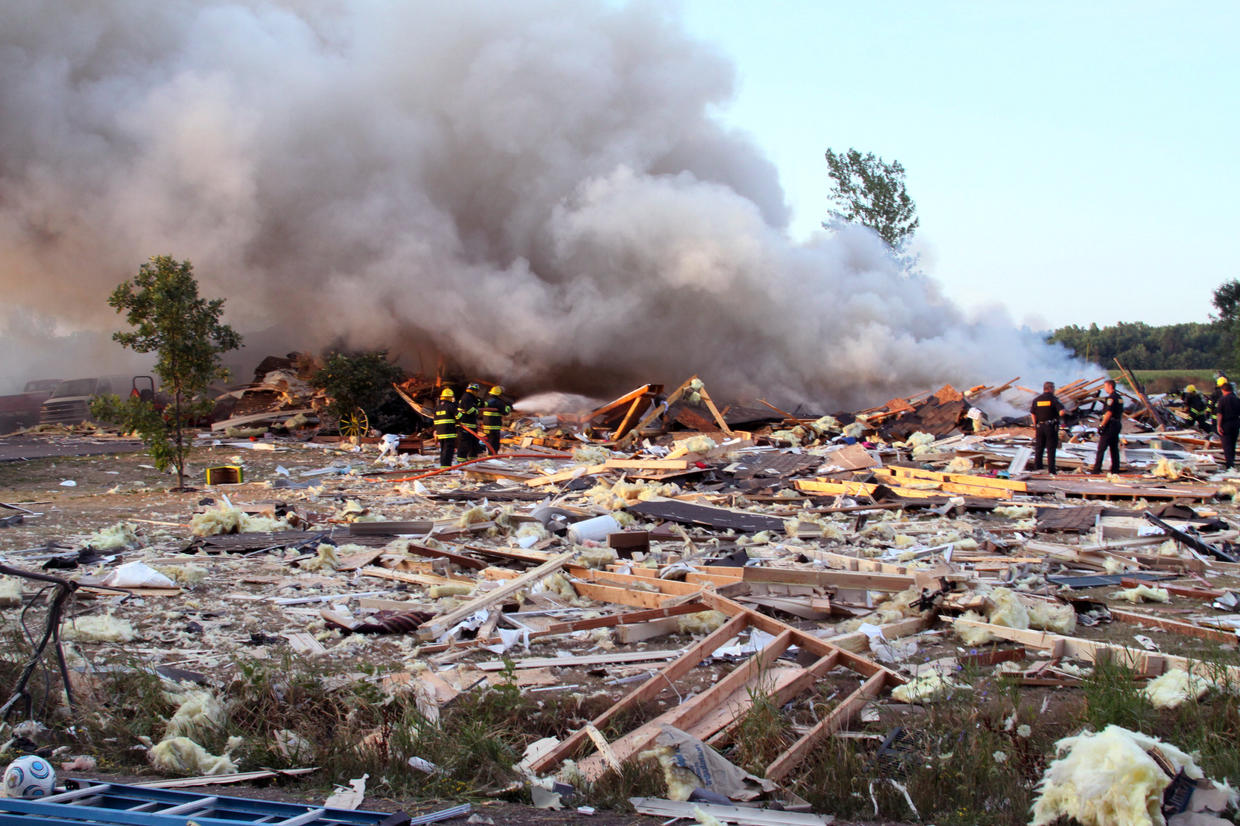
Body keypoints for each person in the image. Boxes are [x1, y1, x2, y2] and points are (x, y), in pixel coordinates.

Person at [1091, 379, 1124, 474]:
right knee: (1114, 448)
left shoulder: (1111, 398)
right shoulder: (1119, 398)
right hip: (1117, 424)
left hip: (1110, 425)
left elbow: (1108, 413)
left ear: (1110, 386)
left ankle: (1096, 470)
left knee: (1101, 448)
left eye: (1105, 386)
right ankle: (1115, 469)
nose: (1104, 388)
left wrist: (1102, 425)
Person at [1030, 381, 1064, 474]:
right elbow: (1062, 412)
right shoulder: (1053, 399)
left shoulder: (1037, 399)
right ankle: (1051, 470)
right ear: (1050, 389)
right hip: (1050, 427)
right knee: (1051, 448)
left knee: (1039, 448)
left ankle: (1038, 468)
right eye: (1053, 388)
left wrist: (1035, 424)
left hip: (1040, 426)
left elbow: (1032, 413)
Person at [480, 385, 512, 454]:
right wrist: (509, 406)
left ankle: (490, 454)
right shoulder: (499, 402)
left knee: (489, 441)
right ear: (499, 394)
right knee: (494, 442)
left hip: (486, 425)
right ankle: (492, 456)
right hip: (494, 426)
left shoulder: (488, 401)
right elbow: (505, 412)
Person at [455, 382, 482, 460]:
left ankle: (472, 459)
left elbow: (478, 403)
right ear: (473, 390)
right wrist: (477, 411)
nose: (477, 392)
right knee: (464, 444)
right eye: (476, 391)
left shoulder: (471, 398)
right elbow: (470, 411)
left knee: (474, 443)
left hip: (471, 425)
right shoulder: (467, 397)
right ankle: (461, 459)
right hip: (465, 425)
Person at [1217, 382, 1240, 470]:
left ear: (1223, 390)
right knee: (1233, 444)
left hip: (1225, 424)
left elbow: (1220, 414)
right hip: (1235, 423)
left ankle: (1229, 464)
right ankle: (1232, 462)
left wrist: (1218, 426)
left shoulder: (1222, 400)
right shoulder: (1237, 399)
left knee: (1227, 445)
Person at [433, 387, 457, 467]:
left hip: (440, 433)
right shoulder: (451, 406)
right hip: (449, 432)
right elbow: (459, 417)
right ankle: (446, 467)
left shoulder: (437, 407)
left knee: (443, 450)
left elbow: (435, 421)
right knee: (448, 450)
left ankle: (443, 466)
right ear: (449, 397)